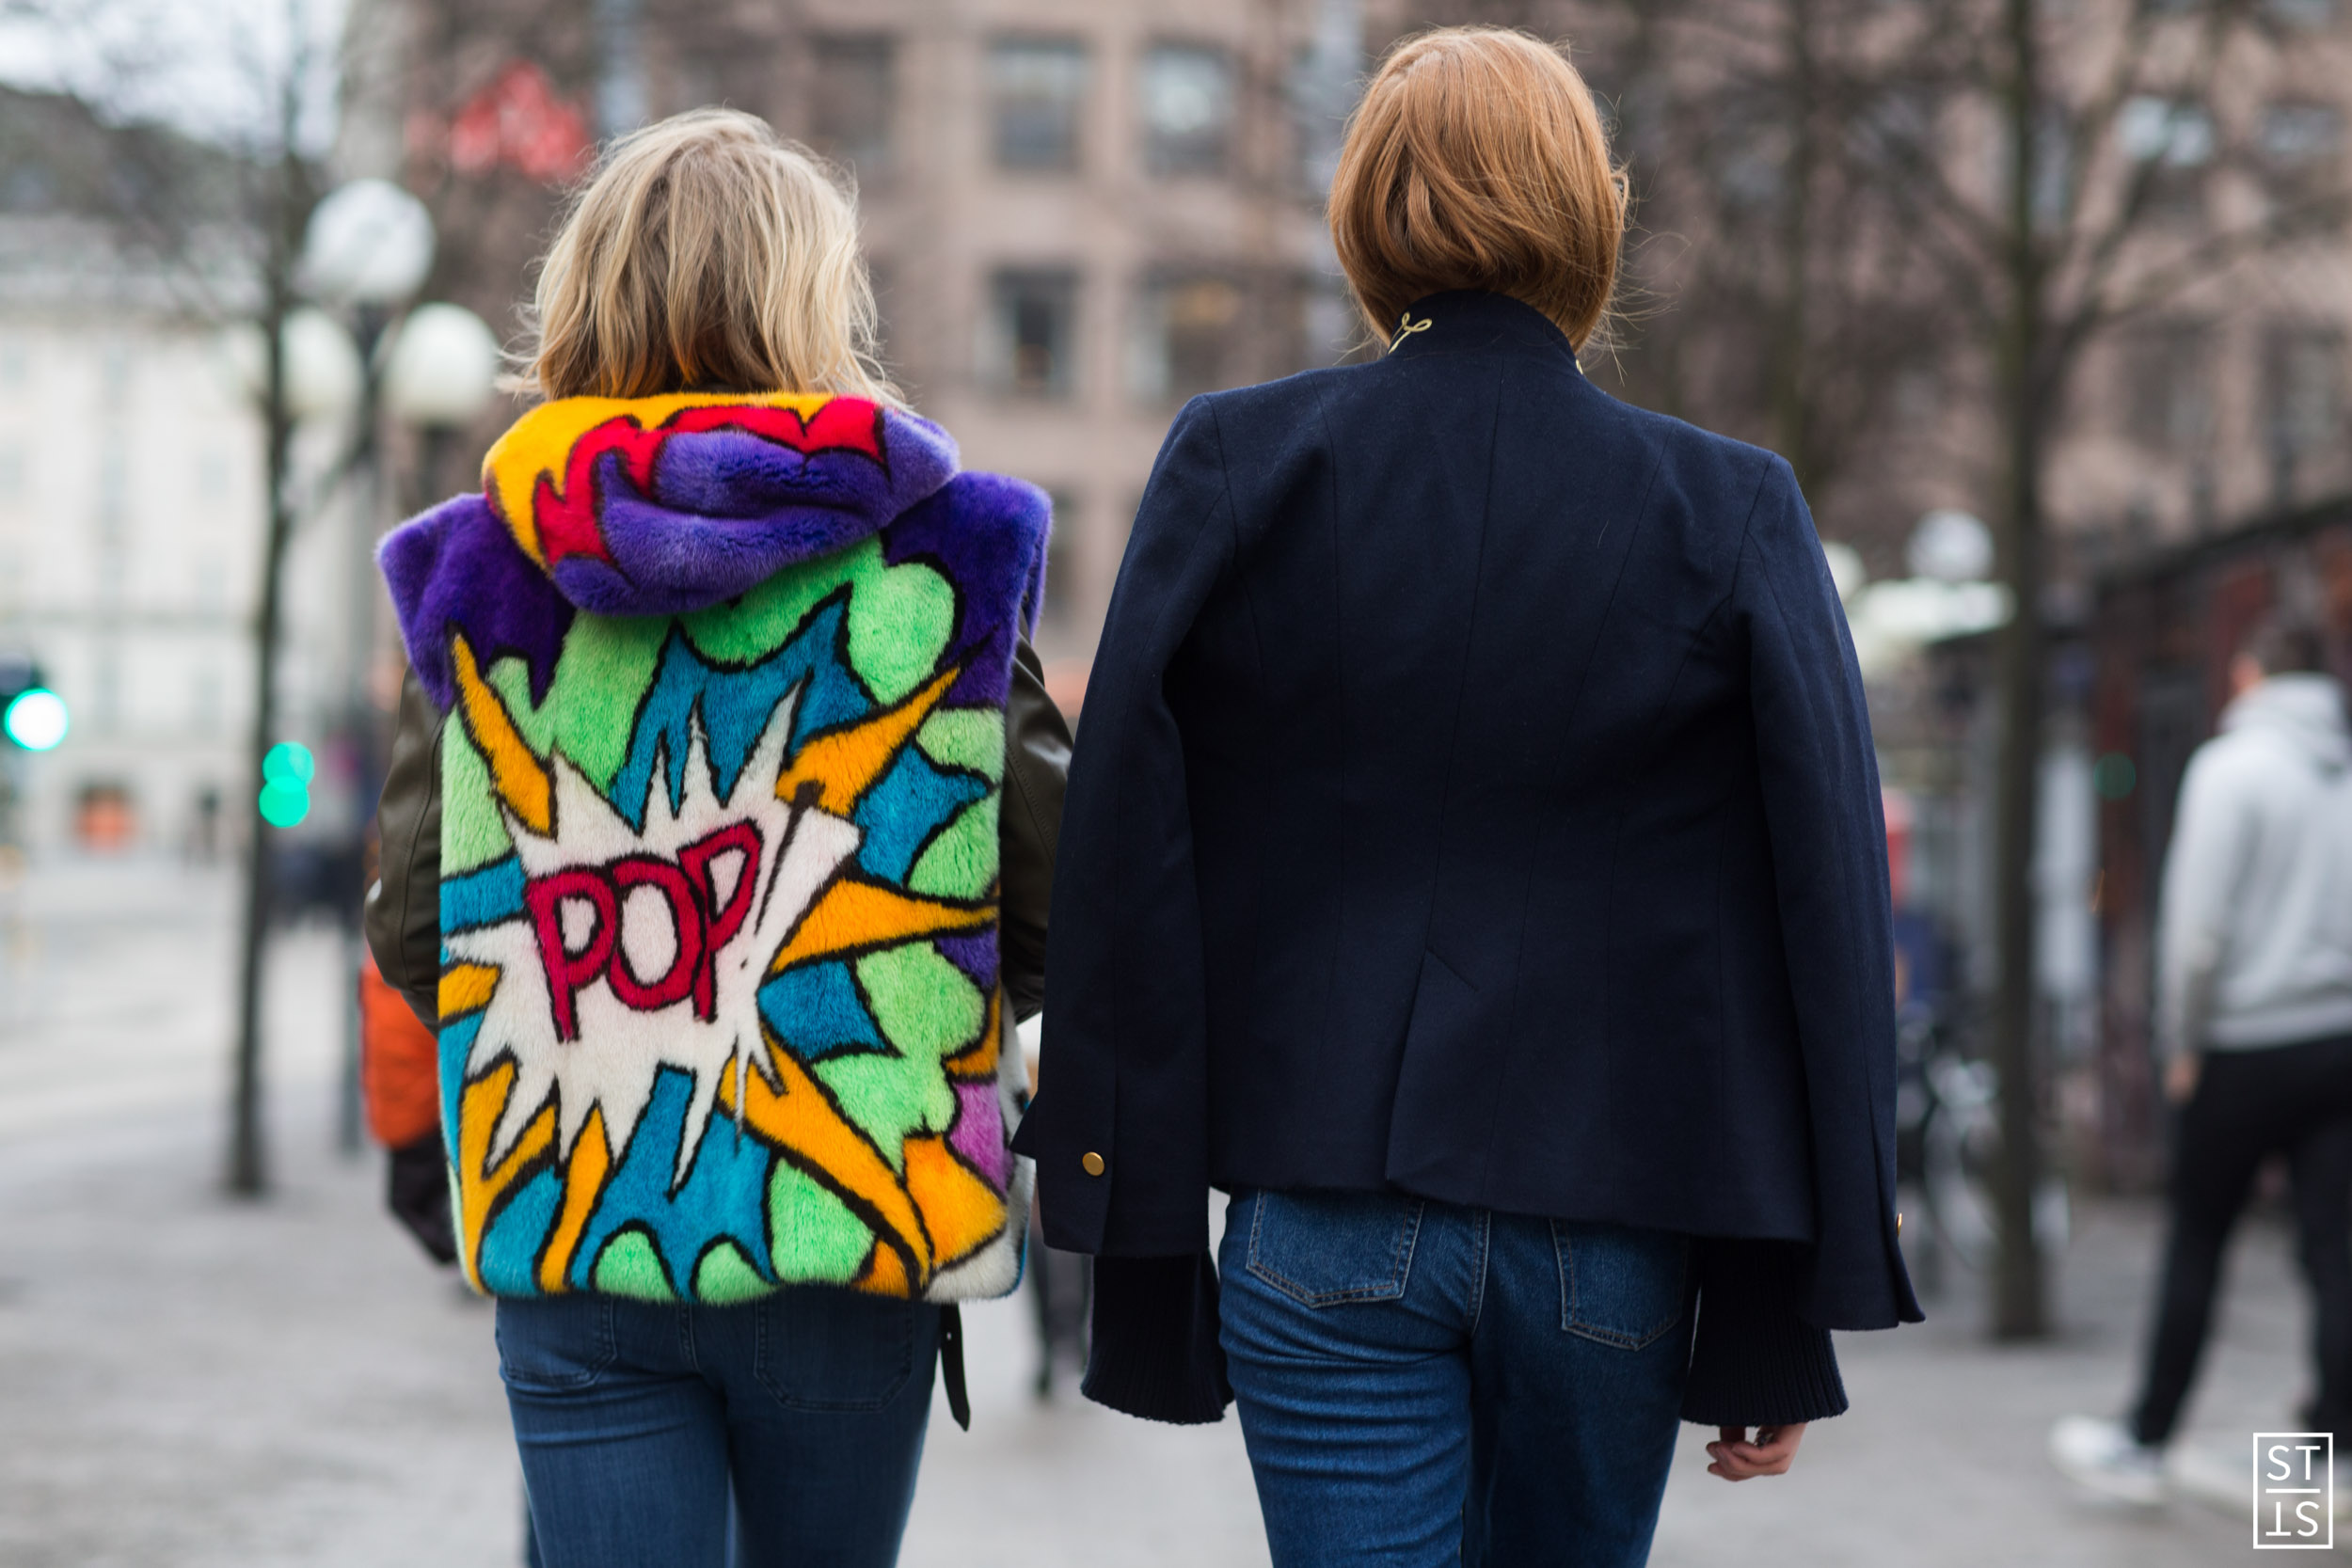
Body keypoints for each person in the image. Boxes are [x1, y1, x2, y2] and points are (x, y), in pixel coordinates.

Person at [1013, 27, 1919, 1568]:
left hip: (1323, 1202)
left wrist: (1133, 1223)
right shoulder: (1731, 510)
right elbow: (1821, 905)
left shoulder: (1241, 466)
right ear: (1592, 213)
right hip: (1616, 1218)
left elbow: (1123, 848)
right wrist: (1781, 1304)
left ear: (1367, 211)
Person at [363, 108, 1071, 1568]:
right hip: (848, 1225)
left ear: (585, 294)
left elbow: (417, 922)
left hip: (576, 1225)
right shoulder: (939, 566)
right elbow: (1055, 886)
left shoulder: (486, 574)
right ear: (817, 302)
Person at [2053, 611, 2352, 1504]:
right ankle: (2337, 1445)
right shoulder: (2342, 775)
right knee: (2337, 1252)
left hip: (2241, 1044)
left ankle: (2146, 1440)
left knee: (2197, 1241)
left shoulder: (2231, 769)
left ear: (2254, 676)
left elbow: (2195, 928)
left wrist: (2182, 1041)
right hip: (2339, 1042)